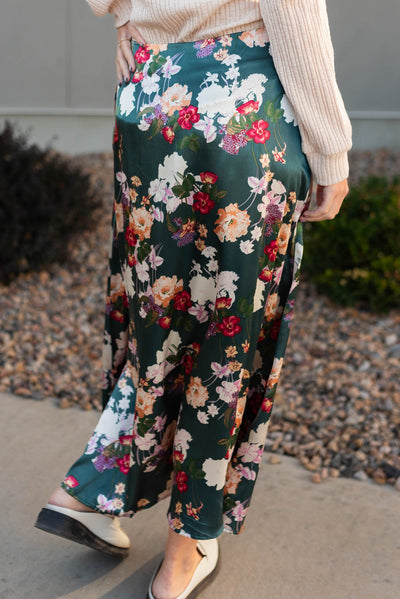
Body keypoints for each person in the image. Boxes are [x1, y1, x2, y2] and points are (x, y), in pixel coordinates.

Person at [35, 1, 352, 598]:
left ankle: (95, 486)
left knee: (161, 319)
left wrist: (131, 16)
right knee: (228, 335)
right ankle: (184, 552)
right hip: (239, 109)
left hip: (153, 99)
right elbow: (295, 14)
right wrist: (330, 149)